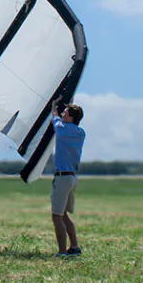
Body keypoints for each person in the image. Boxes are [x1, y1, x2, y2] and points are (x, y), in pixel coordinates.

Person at [49, 95, 84, 259]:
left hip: (62, 178)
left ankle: (62, 252)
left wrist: (54, 106)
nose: (62, 113)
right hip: (72, 178)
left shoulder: (62, 129)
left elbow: (54, 118)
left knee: (56, 216)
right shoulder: (80, 133)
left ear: (70, 117)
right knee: (64, 215)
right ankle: (74, 247)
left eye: (66, 112)